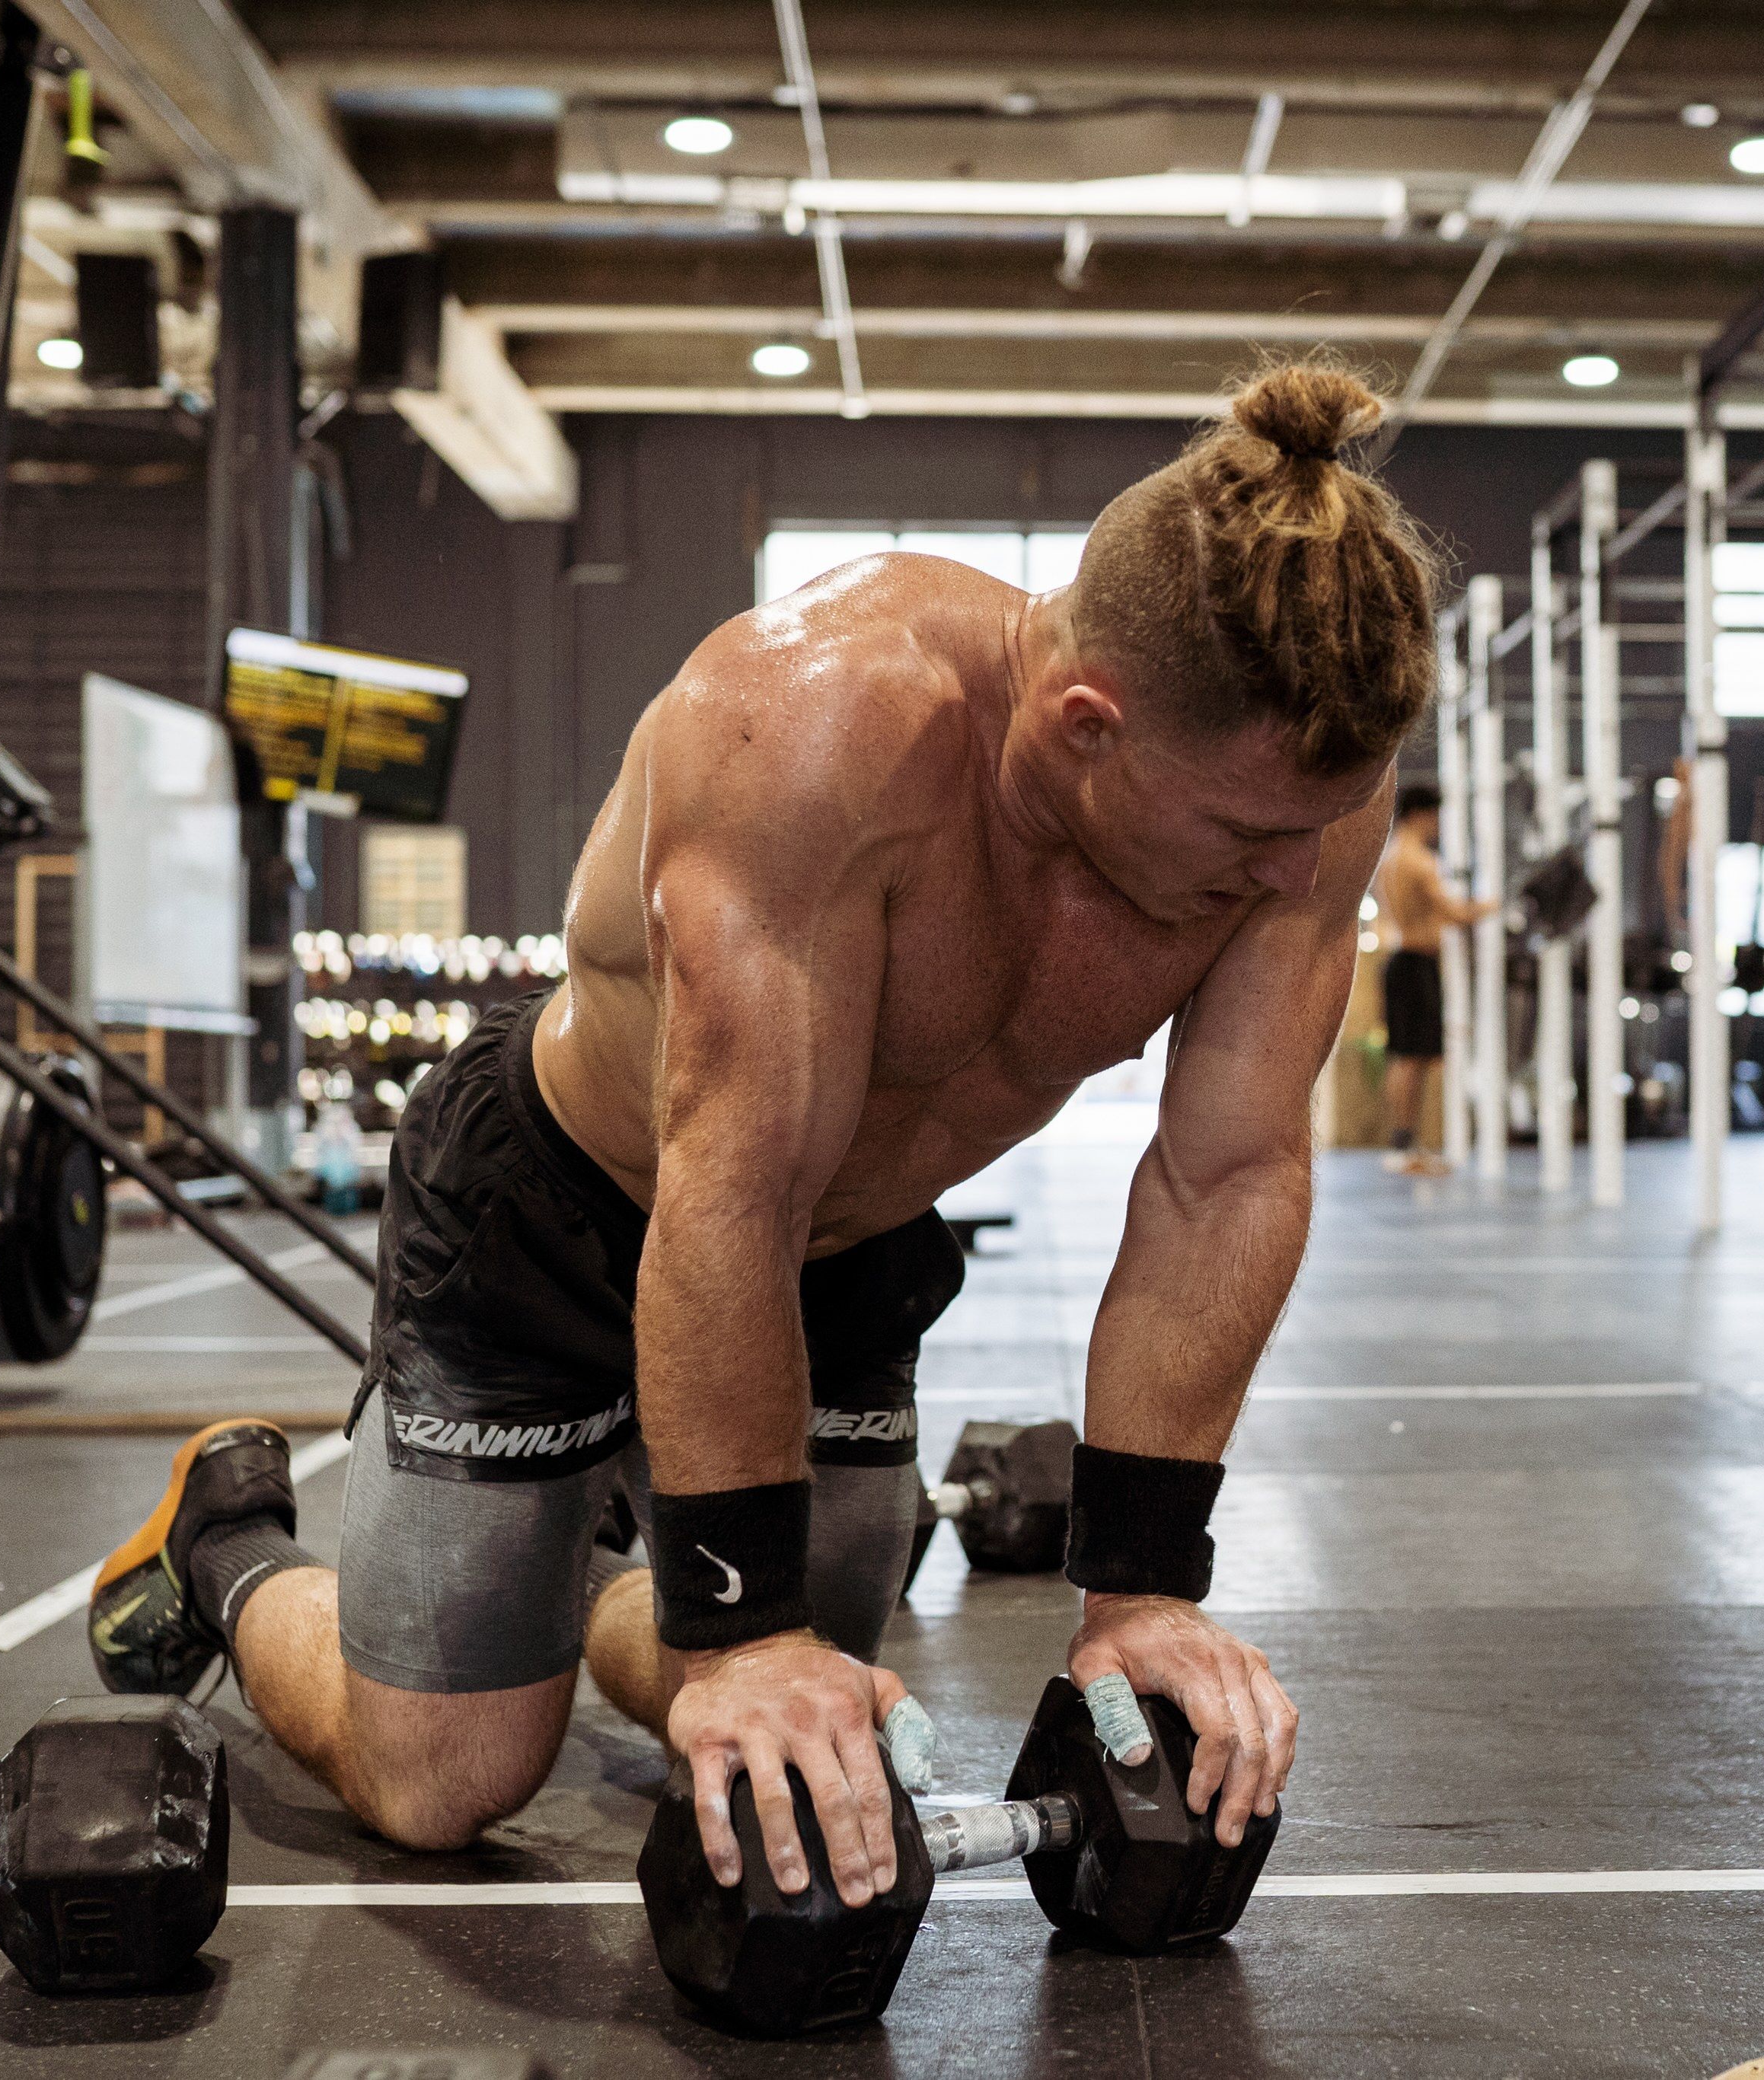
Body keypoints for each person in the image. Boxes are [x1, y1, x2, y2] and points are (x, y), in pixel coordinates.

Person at [87, 363, 1446, 1912]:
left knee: (802, 1711)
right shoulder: (809, 728)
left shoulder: (1302, 793)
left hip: (839, 1254)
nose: (1291, 878)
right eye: (1245, 840)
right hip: (564, 1202)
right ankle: (229, 1546)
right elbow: (726, 1186)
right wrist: (739, 1630)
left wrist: (1140, 1591)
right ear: (1087, 726)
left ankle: (604, 1573)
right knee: (445, 1784)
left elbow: (1226, 1176)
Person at [1370, 784, 1492, 1175]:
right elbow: (1454, 913)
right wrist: (1496, 904)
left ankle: (1405, 1146)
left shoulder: (1390, 857)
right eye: (1436, 816)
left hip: (1402, 961)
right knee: (1411, 1059)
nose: (1439, 825)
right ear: (1421, 814)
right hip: (1414, 963)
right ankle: (1404, 1150)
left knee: (1407, 1057)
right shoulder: (1418, 861)